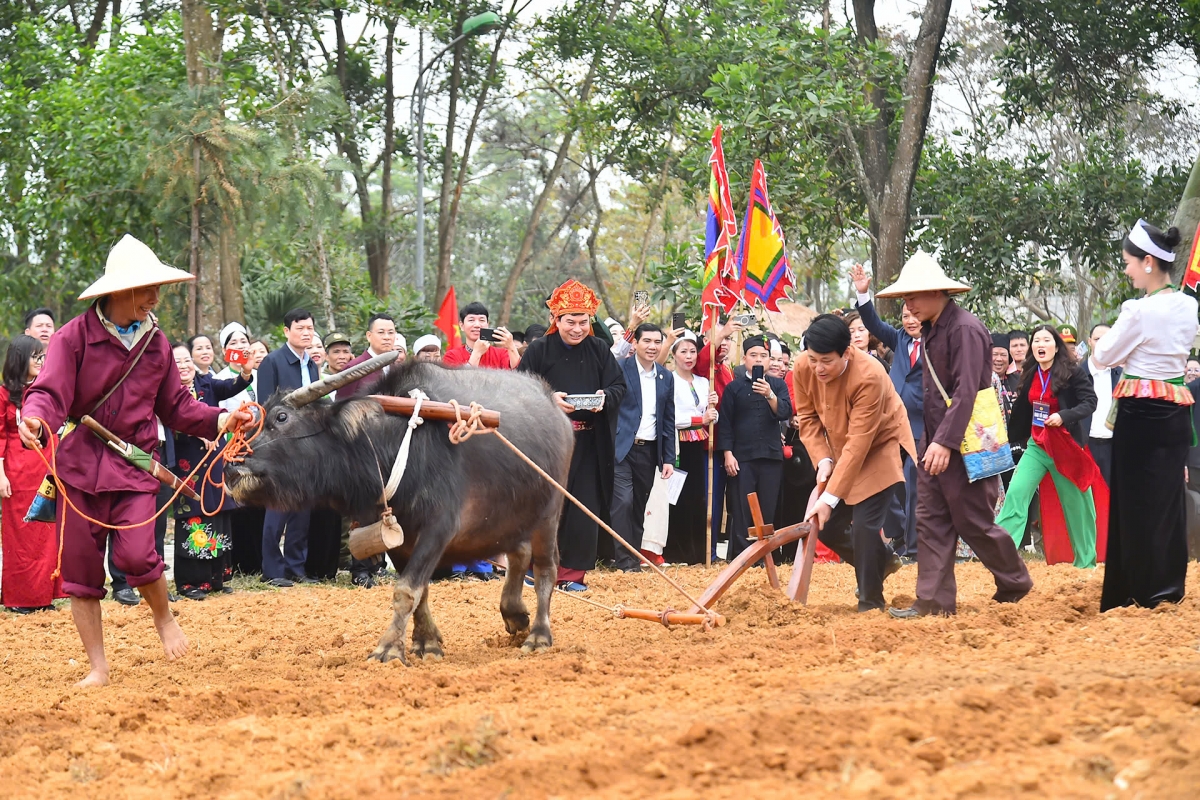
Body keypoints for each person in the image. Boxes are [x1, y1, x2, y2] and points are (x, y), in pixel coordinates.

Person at [18, 234, 252, 686]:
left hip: (136, 465)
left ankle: (163, 618)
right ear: (119, 291)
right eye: (147, 288)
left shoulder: (158, 345)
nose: (155, 297)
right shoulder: (72, 338)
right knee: (81, 571)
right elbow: (47, 393)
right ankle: (98, 668)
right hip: (81, 467)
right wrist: (34, 419)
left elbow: (179, 409)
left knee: (138, 553)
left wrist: (223, 418)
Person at [874, 251, 1033, 618]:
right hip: (935, 443)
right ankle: (932, 601)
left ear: (936, 293)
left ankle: (1015, 580)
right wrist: (934, 442)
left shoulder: (964, 328)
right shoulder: (931, 330)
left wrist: (944, 442)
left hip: (963, 445)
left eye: (912, 296)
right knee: (930, 519)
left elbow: (967, 393)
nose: (908, 304)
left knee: (973, 521)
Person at [1091, 219, 1197, 611]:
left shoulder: (1138, 311)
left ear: (1149, 262)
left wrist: (1128, 338)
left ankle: (1134, 589)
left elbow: (1103, 356)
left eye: (1128, 262)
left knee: (1133, 502)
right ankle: (1168, 587)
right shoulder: (1190, 305)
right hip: (1174, 415)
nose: (1126, 269)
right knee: (1168, 501)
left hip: (1138, 412)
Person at [792, 315, 914, 611]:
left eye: (826, 361)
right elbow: (807, 419)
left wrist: (829, 499)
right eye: (813, 359)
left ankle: (870, 602)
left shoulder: (869, 375)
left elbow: (860, 443)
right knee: (829, 528)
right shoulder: (802, 366)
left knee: (864, 526)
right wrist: (821, 459)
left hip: (879, 446)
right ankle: (881, 561)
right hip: (839, 448)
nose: (818, 368)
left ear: (846, 352)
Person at [517, 279, 626, 591]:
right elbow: (520, 388)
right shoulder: (539, 350)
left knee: (583, 508)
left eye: (583, 322)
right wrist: (549, 399)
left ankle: (571, 575)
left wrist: (605, 397)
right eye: (570, 322)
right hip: (549, 444)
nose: (577, 329)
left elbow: (620, 386)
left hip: (589, 442)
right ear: (556, 320)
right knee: (544, 504)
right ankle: (533, 568)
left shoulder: (599, 350)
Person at [997, 326, 1103, 568]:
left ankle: (1086, 563)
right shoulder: (1030, 371)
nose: (1040, 344)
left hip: (1064, 446)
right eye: (1036, 340)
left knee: (1078, 505)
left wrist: (1064, 416)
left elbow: (1090, 402)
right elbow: (1024, 407)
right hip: (1037, 445)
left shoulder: (1073, 372)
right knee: (1016, 493)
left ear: (1056, 346)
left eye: (1046, 340)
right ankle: (1000, 554)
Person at [169, 343, 252, 599]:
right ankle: (191, 581)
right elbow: (169, 423)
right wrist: (201, 429)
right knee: (195, 518)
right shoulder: (168, 393)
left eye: (186, 361)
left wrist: (246, 374)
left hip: (215, 462)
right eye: (178, 362)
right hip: (188, 465)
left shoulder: (208, 384)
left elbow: (233, 387)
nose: (183, 366)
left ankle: (217, 576)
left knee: (219, 515)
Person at [852, 263, 924, 561]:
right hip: (892, 422)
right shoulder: (900, 338)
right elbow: (873, 323)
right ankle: (898, 536)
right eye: (905, 316)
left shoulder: (938, 342)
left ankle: (915, 548)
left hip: (923, 426)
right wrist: (863, 293)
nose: (910, 321)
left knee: (914, 488)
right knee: (890, 483)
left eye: (915, 315)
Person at [255, 308, 320, 587]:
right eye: (300, 328)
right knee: (277, 507)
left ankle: (296, 567)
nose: (306, 333)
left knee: (302, 510)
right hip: (280, 447)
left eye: (309, 328)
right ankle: (273, 570)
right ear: (286, 331)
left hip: (307, 446)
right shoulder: (273, 361)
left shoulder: (313, 365)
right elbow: (265, 406)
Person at [1, 335, 65, 613]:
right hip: (17, 473)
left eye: (43, 356)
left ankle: (44, 595)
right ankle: (21, 599)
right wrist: (0, 474)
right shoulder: (4, 395)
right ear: (19, 359)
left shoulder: (47, 391)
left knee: (47, 531)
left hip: (48, 469)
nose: (41, 362)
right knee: (21, 535)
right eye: (35, 356)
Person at [717, 335, 793, 561]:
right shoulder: (734, 388)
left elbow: (784, 413)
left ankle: (764, 557)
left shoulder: (777, 384)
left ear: (770, 360)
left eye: (763, 356)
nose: (758, 360)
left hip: (771, 456)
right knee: (741, 509)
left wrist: (769, 394)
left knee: (767, 508)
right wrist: (728, 454)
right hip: (743, 457)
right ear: (744, 359)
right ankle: (742, 558)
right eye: (753, 355)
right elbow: (726, 423)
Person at [611, 324, 676, 572]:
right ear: (635, 344)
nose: (652, 346)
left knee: (640, 505)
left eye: (657, 342)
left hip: (649, 451)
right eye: (646, 341)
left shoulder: (665, 376)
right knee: (623, 502)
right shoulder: (620, 369)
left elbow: (668, 419)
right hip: (622, 449)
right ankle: (623, 560)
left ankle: (632, 556)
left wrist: (668, 457)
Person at [662, 332, 718, 565]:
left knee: (698, 498)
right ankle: (677, 552)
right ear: (673, 355)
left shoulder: (704, 382)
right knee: (678, 499)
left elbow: (711, 415)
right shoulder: (669, 380)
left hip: (698, 446)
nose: (689, 356)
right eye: (683, 351)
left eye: (692, 351)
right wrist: (700, 419)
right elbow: (671, 417)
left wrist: (712, 409)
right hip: (677, 446)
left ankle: (697, 554)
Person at [1085, 324, 1120, 486]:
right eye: (1097, 339)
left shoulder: (1121, 375)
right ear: (1089, 342)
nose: (1102, 343)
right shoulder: (1076, 373)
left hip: (1113, 447)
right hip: (1085, 445)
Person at [443, 302, 520, 369]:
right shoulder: (451, 356)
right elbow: (458, 382)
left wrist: (511, 346)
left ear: (487, 324)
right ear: (461, 325)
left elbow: (519, 375)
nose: (477, 325)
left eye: (482, 320)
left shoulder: (501, 354)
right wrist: (476, 353)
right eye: (471, 320)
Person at [339, 313, 398, 398]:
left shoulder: (397, 368)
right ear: (369, 336)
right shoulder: (354, 368)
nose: (387, 337)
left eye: (391, 333)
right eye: (381, 332)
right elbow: (341, 404)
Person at [991, 334, 1019, 421]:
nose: (999, 359)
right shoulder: (979, 382)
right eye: (994, 354)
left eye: (1003, 355)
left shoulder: (1020, 381)